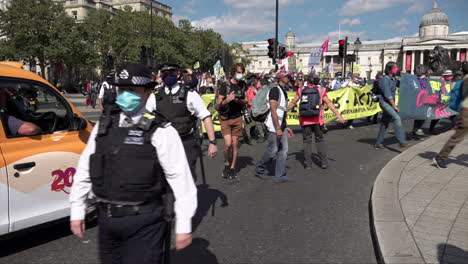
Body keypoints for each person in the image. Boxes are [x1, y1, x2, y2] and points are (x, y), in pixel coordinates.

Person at [69, 63, 197, 264]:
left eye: (132, 90)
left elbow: (181, 179)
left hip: (145, 222)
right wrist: (77, 209)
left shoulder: (161, 131)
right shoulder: (104, 125)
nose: (125, 95)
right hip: (107, 221)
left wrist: (183, 226)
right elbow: (86, 168)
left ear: (147, 92)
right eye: (122, 89)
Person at [154, 63, 217, 182]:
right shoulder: (155, 95)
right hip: (164, 144)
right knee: (163, 180)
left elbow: (206, 116)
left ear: (178, 74)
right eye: (164, 73)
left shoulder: (189, 94)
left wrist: (212, 142)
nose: (167, 76)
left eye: (171, 73)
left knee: (186, 178)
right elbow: (145, 116)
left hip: (185, 142)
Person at [287, 75, 345, 169]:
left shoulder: (301, 90)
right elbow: (329, 103)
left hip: (305, 120)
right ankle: (323, 162)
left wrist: (285, 111)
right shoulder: (321, 90)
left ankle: (308, 164)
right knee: (319, 140)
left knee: (307, 141)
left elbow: (293, 102)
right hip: (318, 119)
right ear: (317, 82)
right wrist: (338, 115)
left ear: (308, 81)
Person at [255, 74, 294, 182]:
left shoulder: (282, 91)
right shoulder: (275, 90)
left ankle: (279, 175)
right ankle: (260, 168)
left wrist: (286, 126)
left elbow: (283, 111)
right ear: (280, 78)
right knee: (273, 150)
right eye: (286, 76)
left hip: (281, 125)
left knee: (283, 150)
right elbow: (273, 110)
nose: (288, 78)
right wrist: (277, 128)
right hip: (274, 126)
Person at [433, 62, 468, 168]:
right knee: (457, 137)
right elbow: (464, 94)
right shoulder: (467, 80)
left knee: (457, 136)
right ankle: (440, 157)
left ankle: (441, 157)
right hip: (466, 112)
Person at [216, 63, 248, 181]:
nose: (241, 75)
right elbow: (218, 104)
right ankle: (226, 163)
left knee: (235, 144)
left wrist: (240, 101)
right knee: (228, 144)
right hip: (225, 117)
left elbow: (246, 100)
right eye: (239, 72)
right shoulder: (225, 85)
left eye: (242, 72)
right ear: (233, 72)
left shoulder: (243, 85)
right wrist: (227, 100)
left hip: (237, 117)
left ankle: (233, 167)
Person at [374, 61, 409, 149]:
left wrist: (404, 76)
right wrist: (394, 106)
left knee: (384, 123)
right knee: (397, 117)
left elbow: (403, 85)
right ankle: (401, 141)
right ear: (390, 69)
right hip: (385, 102)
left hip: (389, 103)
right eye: (395, 68)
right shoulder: (383, 80)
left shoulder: (394, 79)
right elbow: (387, 94)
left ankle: (378, 143)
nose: (397, 69)